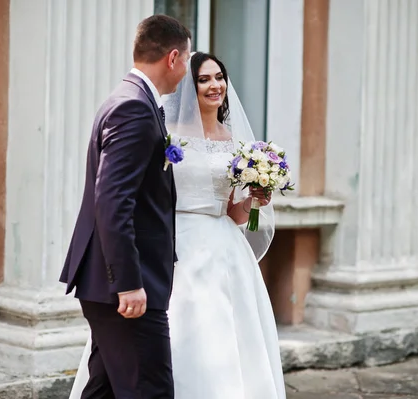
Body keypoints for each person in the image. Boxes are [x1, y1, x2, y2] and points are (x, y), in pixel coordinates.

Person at [70, 51, 286, 399]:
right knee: (172, 333)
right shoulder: (167, 133)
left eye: (219, 77)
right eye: (204, 79)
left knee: (226, 338)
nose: (215, 85)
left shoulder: (234, 141)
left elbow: (233, 212)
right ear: (190, 85)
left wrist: (254, 201)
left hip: (224, 248)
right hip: (174, 244)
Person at [59, 15, 191, 399]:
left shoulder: (133, 99)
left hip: (110, 285)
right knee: (150, 390)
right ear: (172, 58)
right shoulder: (134, 107)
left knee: (104, 390)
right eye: (186, 59)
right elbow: (113, 200)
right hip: (127, 286)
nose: (186, 70)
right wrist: (129, 283)